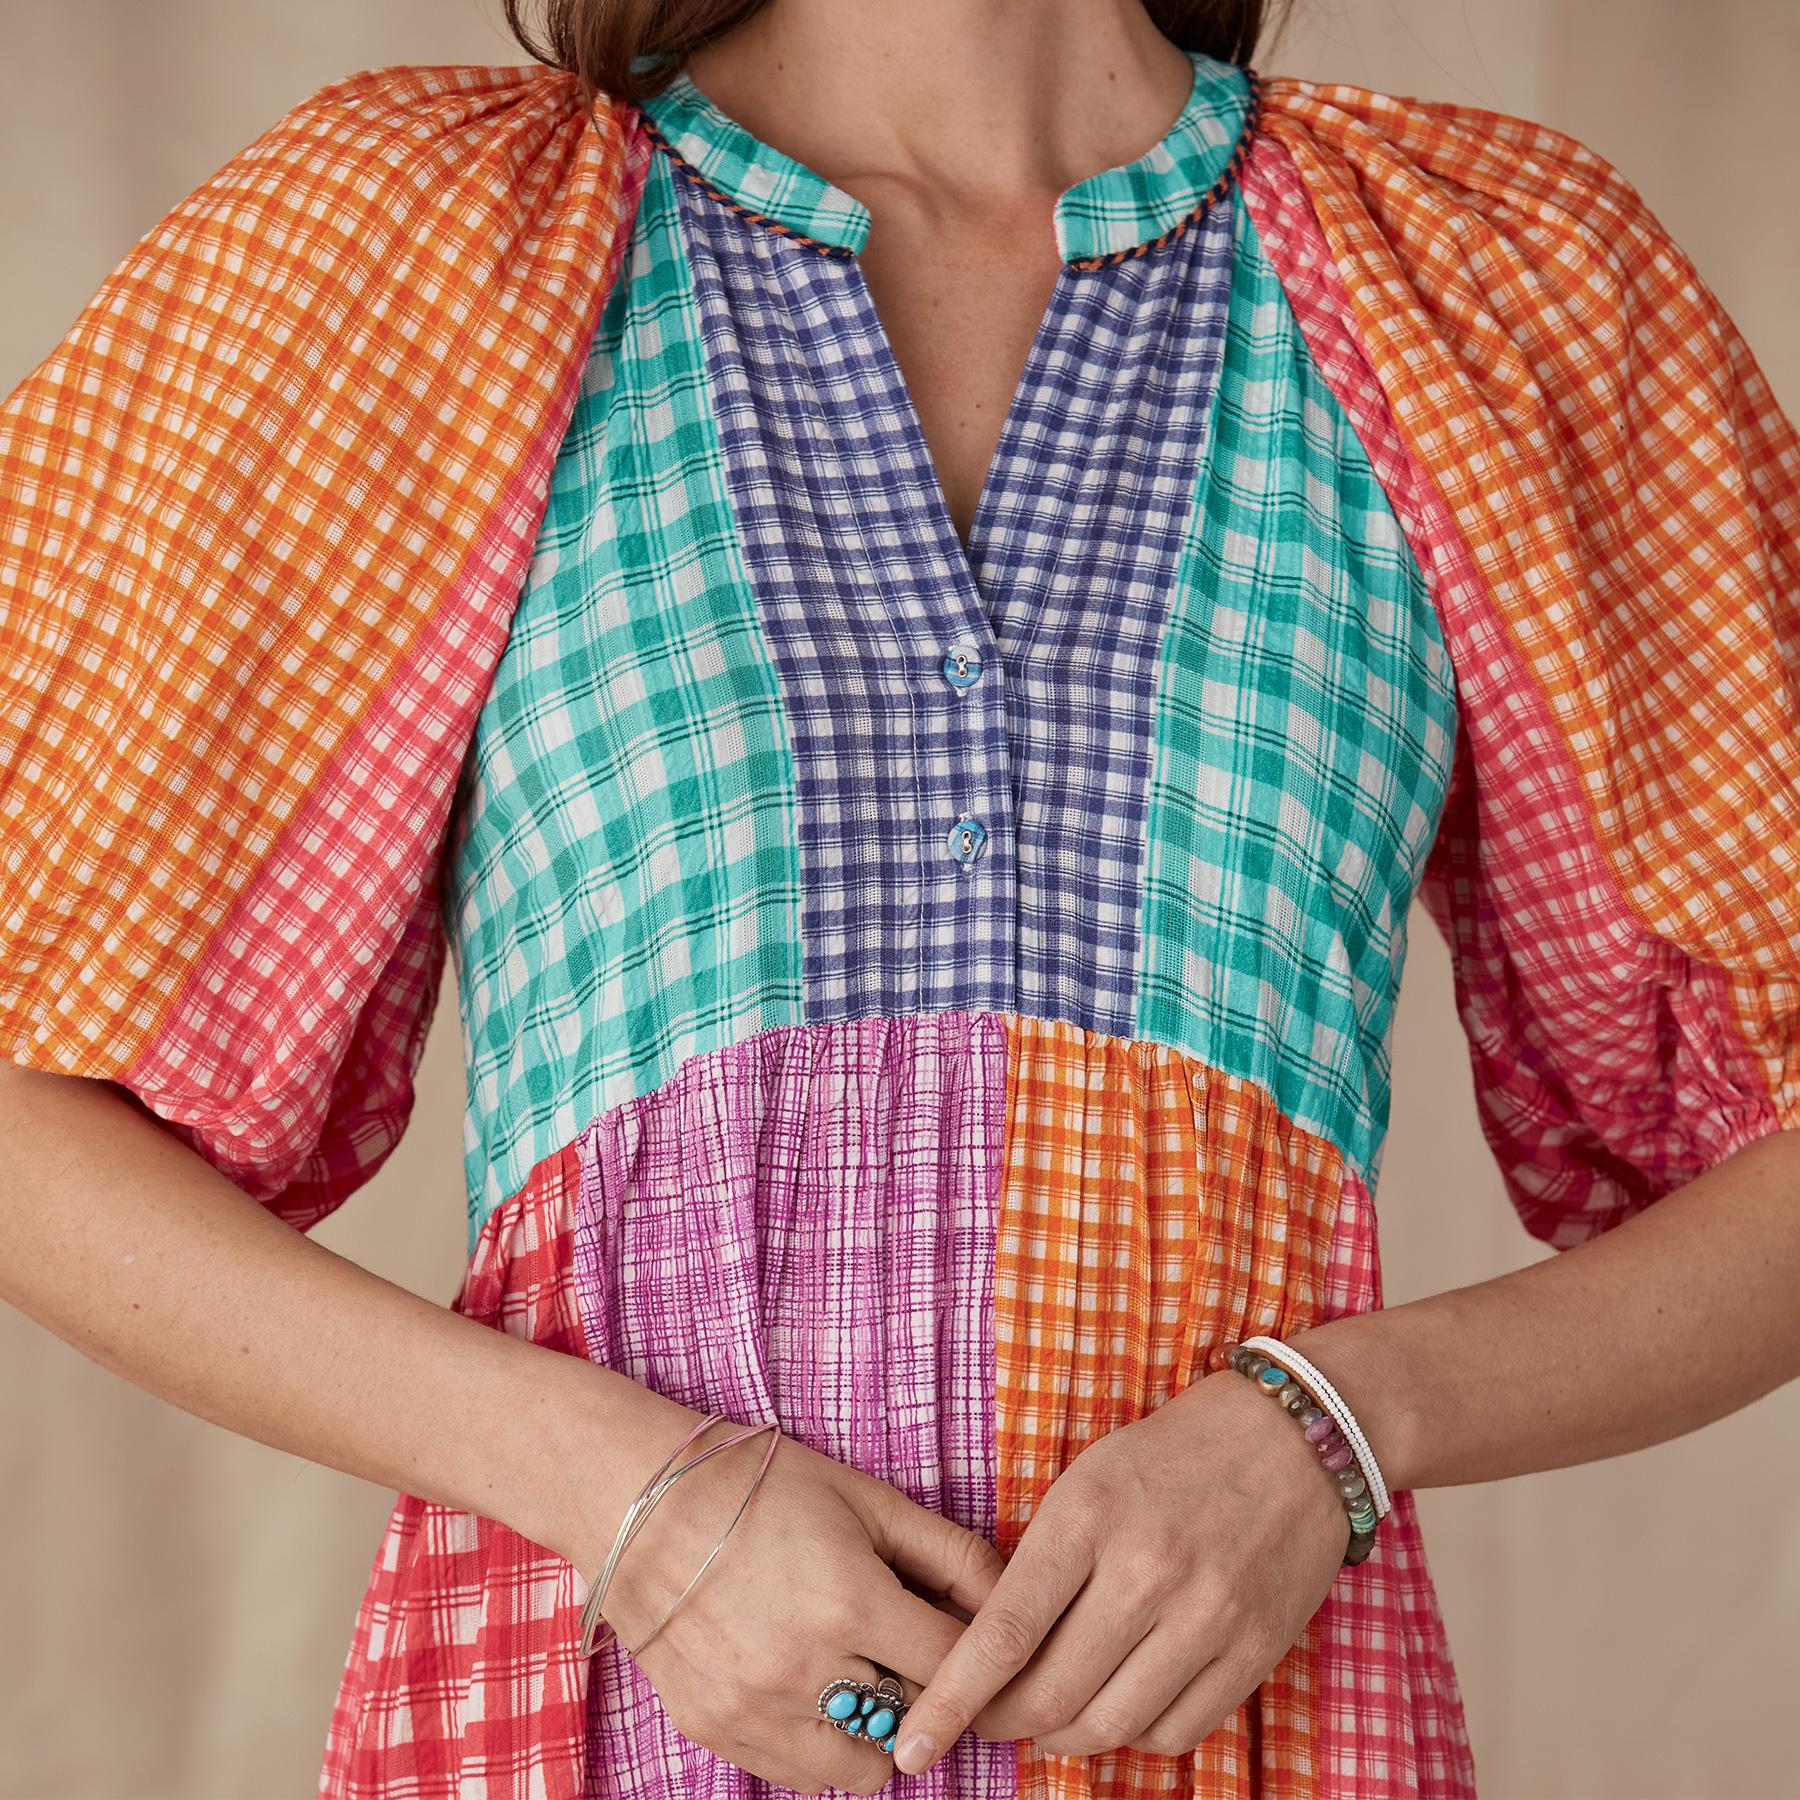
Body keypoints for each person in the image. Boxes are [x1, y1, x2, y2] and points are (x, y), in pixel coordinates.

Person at [1, 0, 1796, 1795]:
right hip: (605, 1718)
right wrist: (629, 1495)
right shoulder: (417, 234)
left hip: (1247, 1738)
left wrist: (1338, 1423)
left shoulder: (1495, 278)